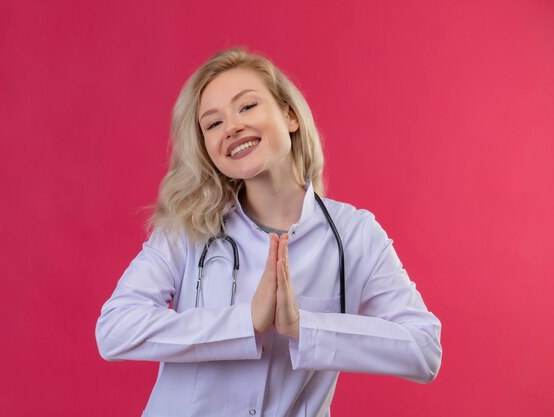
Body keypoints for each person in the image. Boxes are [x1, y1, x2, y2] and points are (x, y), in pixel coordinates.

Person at [95, 47, 442, 417]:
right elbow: (114, 330)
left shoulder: (355, 235)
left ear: (290, 115)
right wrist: (245, 323)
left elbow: (424, 350)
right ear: (208, 149)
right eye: (213, 124)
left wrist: (303, 328)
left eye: (246, 107)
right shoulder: (189, 228)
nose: (231, 127)